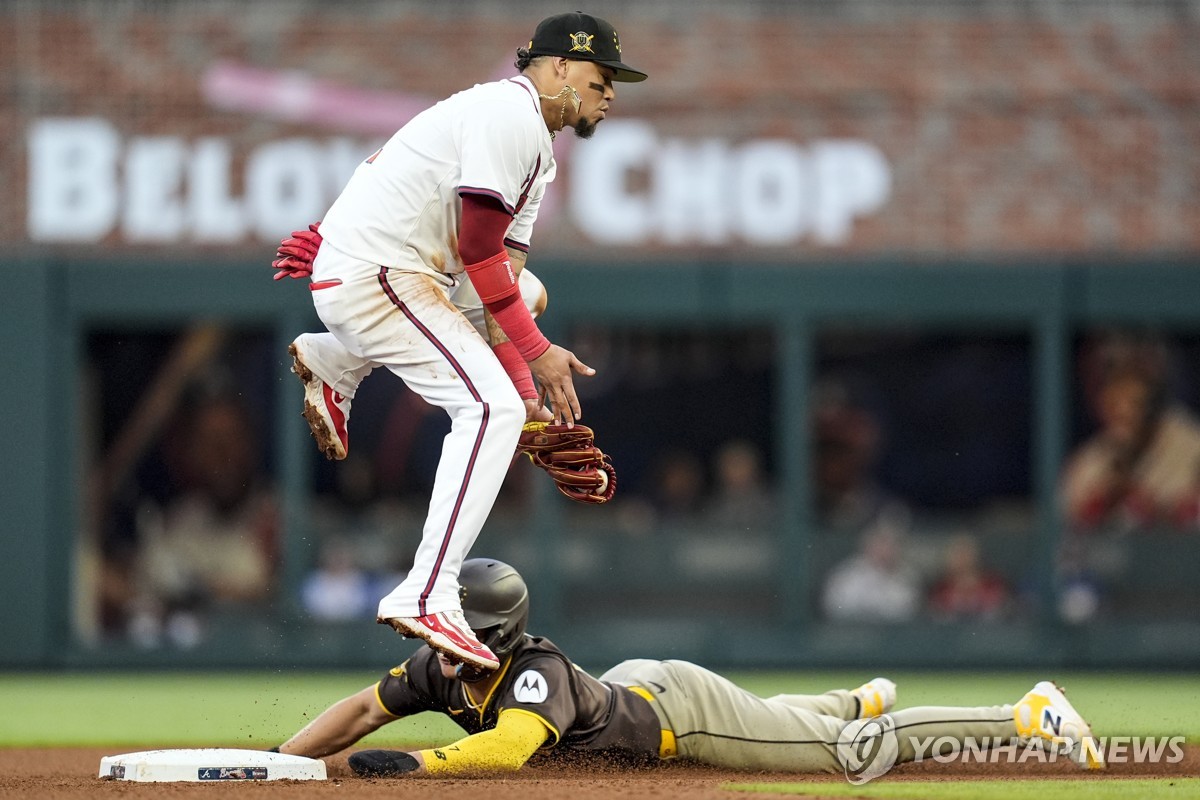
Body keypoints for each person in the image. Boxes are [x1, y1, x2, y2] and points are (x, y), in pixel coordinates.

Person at [275, 12, 647, 671]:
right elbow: (477, 249)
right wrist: (532, 364)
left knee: (527, 305)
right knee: (487, 408)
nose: (611, 91)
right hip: (377, 275)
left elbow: (499, 289)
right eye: (601, 74)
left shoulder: (536, 148)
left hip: (389, 274)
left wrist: (531, 399)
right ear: (558, 67)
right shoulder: (510, 114)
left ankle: (338, 359)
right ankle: (426, 592)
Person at [273, 557, 1105, 775]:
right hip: (640, 687)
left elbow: (506, 751)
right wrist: (277, 766)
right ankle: (846, 698)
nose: (443, 640)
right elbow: (358, 712)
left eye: (458, 628)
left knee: (844, 761)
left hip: (679, 717)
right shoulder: (440, 668)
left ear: (494, 635)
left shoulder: (534, 672)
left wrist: (416, 766)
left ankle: (1023, 714)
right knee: (780, 723)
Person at [1061, 330, 1200, 533]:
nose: (1124, 410)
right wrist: (1108, 498)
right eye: (1115, 400)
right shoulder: (1090, 460)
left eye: (1135, 400)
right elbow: (1065, 527)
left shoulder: (1191, 444)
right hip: (1116, 561)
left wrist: (1160, 508)